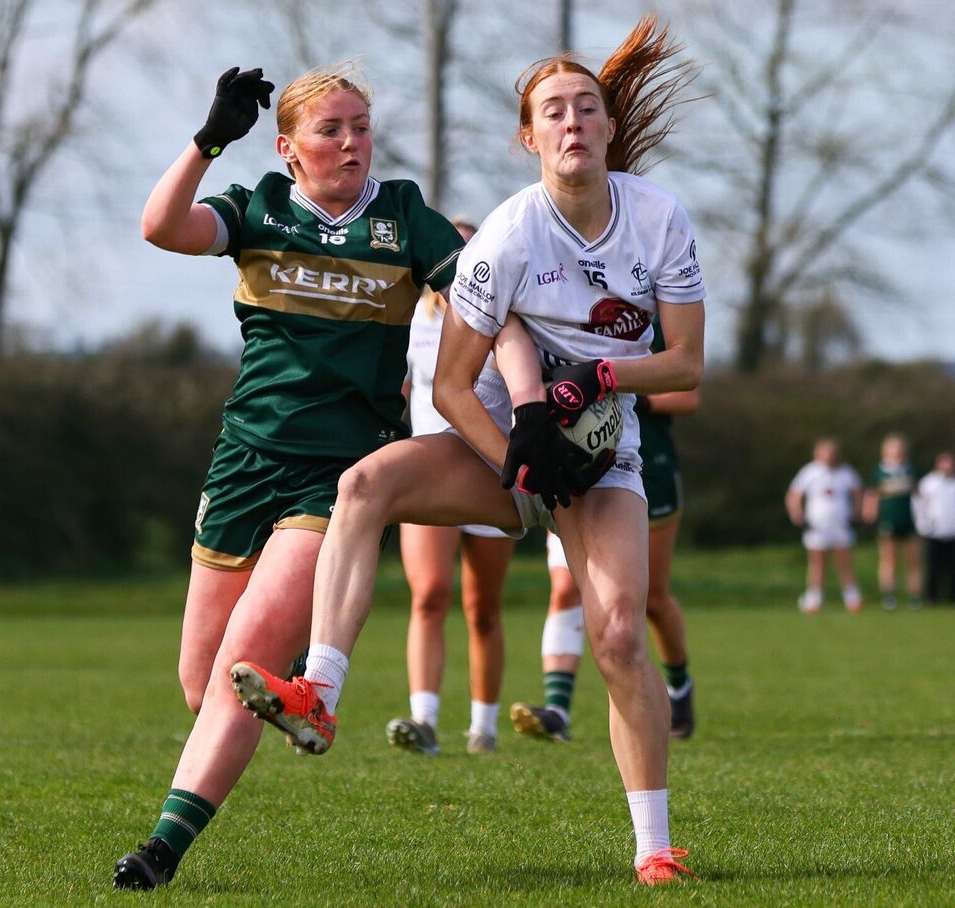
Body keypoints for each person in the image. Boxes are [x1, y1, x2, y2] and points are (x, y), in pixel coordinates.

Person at [233, 18, 704, 885]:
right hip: (500, 451)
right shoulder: (503, 237)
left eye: (586, 108)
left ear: (605, 129)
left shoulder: (659, 220)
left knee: (617, 638)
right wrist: (523, 457)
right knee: (364, 483)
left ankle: (655, 849)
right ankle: (320, 695)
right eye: (553, 111)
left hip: (603, 464)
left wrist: (594, 381)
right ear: (529, 138)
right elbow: (452, 389)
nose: (572, 122)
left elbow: (685, 363)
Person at [112, 63, 467, 891]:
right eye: (331, 130)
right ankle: (299, 663)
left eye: (361, 127)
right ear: (289, 147)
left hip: (338, 477)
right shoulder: (261, 204)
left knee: (240, 663)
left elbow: (485, 295)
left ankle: (160, 853)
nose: (351, 143)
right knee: (202, 682)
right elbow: (161, 228)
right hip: (243, 461)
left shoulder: (405, 216)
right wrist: (208, 142)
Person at [512, 320, 699, 742]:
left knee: (653, 600)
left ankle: (681, 687)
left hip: (646, 465)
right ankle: (557, 710)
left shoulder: (654, 317)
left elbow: (689, 394)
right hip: (576, 470)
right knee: (565, 587)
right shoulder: (557, 301)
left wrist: (619, 389)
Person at [386, 219, 517, 757]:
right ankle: (425, 722)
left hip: (489, 470)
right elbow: (400, 385)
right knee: (430, 594)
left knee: (482, 606)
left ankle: (482, 728)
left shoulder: (500, 318)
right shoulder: (413, 317)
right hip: (429, 471)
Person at [785, 438, 862, 614]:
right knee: (817, 563)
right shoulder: (809, 472)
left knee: (844, 562)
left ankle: (852, 598)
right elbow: (794, 494)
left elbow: (858, 493)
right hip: (817, 526)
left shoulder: (846, 472)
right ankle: (814, 598)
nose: (829, 457)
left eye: (832, 453)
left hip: (841, 525)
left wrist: (856, 514)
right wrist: (797, 515)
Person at [862, 433, 922, 610]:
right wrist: (869, 512)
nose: (897, 455)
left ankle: (915, 597)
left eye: (900, 451)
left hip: (909, 521)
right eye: (893, 451)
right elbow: (872, 495)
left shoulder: (911, 470)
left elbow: (920, 494)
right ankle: (889, 597)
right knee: (889, 560)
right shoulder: (879, 472)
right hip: (888, 521)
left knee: (913, 561)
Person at [913, 451, 955, 604]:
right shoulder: (928, 483)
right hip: (933, 531)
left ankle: (954, 597)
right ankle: (932, 597)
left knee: (953, 566)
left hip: (953, 530)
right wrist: (923, 525)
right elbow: (919, 505)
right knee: (933, 566)